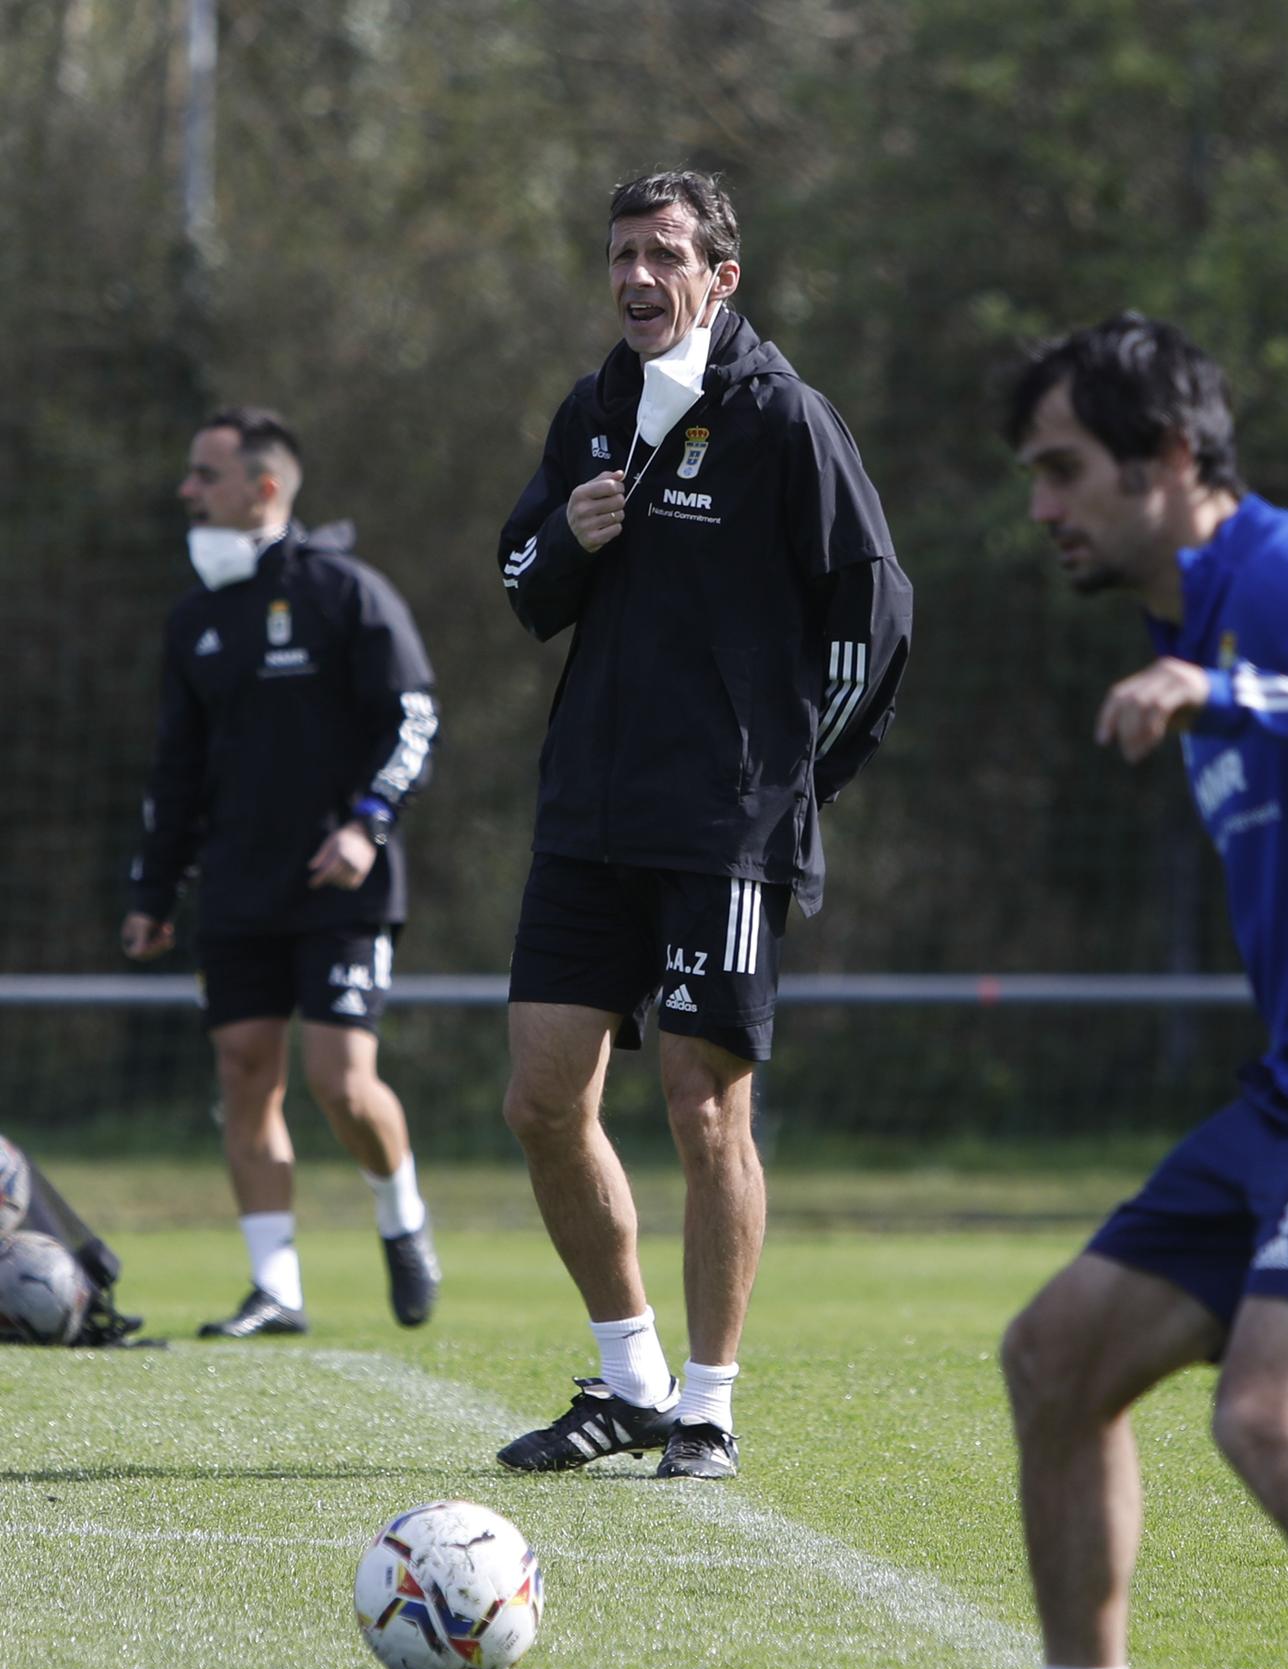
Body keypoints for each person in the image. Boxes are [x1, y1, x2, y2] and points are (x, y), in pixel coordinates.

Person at [864, 313, 1288, 1669]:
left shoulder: (1285, 581)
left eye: (1064, 471)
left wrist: (1244, 698)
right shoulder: (1190, 625)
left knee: (1272, 1420)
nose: (1041, 507)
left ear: (1173, 463)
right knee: (1057, 1359)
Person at [495, 170, 912, 1479]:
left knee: (699, 1108)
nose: (635, 276)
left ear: (720, 277)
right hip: (589, 814)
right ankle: (629, 1380)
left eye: (663, 254)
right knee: (541, 1099)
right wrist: (569, 535)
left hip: (724, 825)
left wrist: (798, 787)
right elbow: (520, 584)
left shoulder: (782, 419)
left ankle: (710, 1403)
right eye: (621, 252)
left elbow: (878, 613)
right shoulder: (595, 411)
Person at [123, 406, 441, 1339]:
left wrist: (367, 825)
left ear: (261, 486)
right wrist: (152, 892)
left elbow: (414, 721)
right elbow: (175, 769)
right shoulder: (194, 618)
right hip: (235, 888)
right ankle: (277, 1288)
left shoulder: (346, 591)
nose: (186, 489)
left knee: (341, 1081)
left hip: (342, 884)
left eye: (203, 474)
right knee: (244, 1072)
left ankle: (401, 1218)